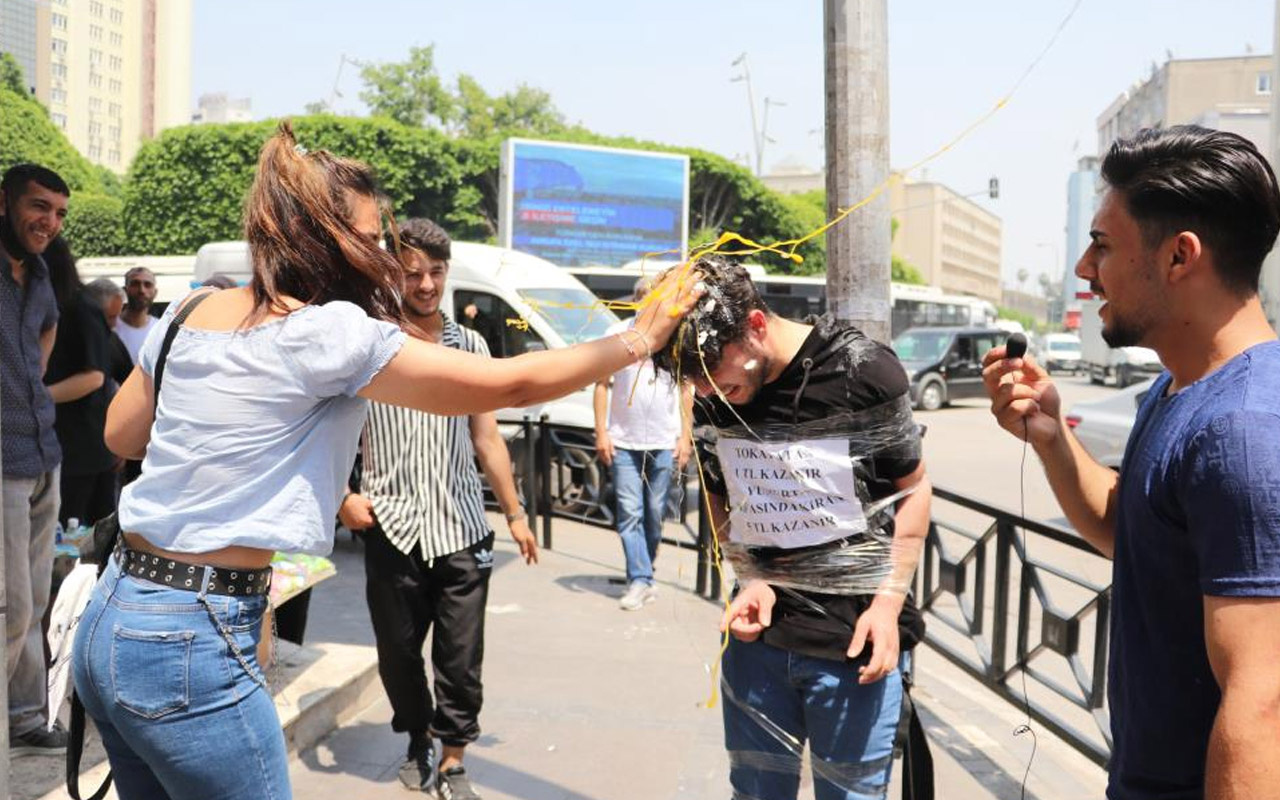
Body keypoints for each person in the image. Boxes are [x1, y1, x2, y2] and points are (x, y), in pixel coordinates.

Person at [70, 121, 699, 800]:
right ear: (322, 241)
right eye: (371, 239)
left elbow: (121, 437)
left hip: (113, 614)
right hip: (192, 638)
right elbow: (510, 385)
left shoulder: (191, 307)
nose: (384, 256)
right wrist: (639, 337)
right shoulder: (328, 332)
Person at [983, 125, 1280, 800]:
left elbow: (1263, 702)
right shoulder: (1179, 388)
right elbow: (1129, 527)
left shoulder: (1245, 429)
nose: (1086, 269)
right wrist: (1051, 434)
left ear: (1179, 257)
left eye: (1103, 245)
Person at [653, 257, 931, 800]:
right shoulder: (713, 394)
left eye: (717, 375)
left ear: (756, 326)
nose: (707, 394)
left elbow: (914, 491)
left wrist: (886, 606)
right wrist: (750, 575)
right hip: (758, 646)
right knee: (754, 793)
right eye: (696, 383)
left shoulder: (860, 371)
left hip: (853, 648)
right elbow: (717, 493)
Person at [339, 217, 539, 797]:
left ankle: (453, 757)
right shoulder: (371, 345)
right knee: (398, 655)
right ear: (394, 276)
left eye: (435, 272)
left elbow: (487, 437)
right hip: (391, 524)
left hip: (462, 527)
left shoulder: (471, 345)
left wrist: (516, 514)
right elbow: (332, 433)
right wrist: (343, 496)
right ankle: (415, 738)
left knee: (461, 656)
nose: (425, 284)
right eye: (413, 273)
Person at [0, 163, 71, 755]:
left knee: (37, 601)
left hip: (45, 450)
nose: (49, 221)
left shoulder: (41, 272)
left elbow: (47, 329)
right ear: (4, 203)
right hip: (3, 461)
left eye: (58, 212)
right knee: (10, 603)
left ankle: (24, 717)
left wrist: (32, 382)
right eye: (39, 206)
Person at [594, 277, 692, 610]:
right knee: (630, 513)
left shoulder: (674, 340)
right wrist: (601, 431)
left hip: (663, 440)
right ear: (637, 302)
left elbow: (685, 389)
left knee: (653, 513)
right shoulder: (617, 335)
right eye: (645, 299)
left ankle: (643, 574)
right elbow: (602, 384)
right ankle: (640, 579)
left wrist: (686, 436)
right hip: (624, 440)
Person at [43, 240, 120, 528]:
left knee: (77, 537)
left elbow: (94, 377)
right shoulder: (58, 303)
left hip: (82, 450)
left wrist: (38, 396)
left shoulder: (79, 306)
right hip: (69, 446)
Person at [115, 266, 158, 365]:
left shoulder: (160, 329)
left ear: (155, 292)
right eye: (135, 284)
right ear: (125, 290)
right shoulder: (109, 328)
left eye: (147, 285)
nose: (142, 290)